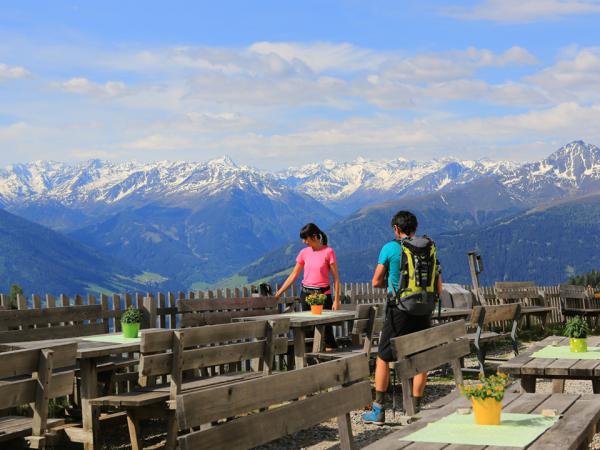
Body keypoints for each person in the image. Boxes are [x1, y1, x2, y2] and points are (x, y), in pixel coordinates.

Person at [362, 210, 442, 425]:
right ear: (415, 229)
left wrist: (391, 279)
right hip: (424, 309)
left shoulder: (390, 248)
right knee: (421, 358)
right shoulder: (428, 249)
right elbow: (438, 286)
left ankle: (378, 410)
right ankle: (415, 408)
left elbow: (376, 281)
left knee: (383, 356)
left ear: (396, 229)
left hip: (399, 309)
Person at [274, 223, 341, 349]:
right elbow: (293, 275)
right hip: (306, 296)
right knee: (308, 332)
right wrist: (279, 292)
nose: (304, 242)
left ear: (314, 237)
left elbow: (336, 279)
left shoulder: (328, 252)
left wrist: (336, 300)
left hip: (323, 296)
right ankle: (312, 364)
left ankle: (331, 364)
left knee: (326, 333)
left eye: (306, 239)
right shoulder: (304, 253)